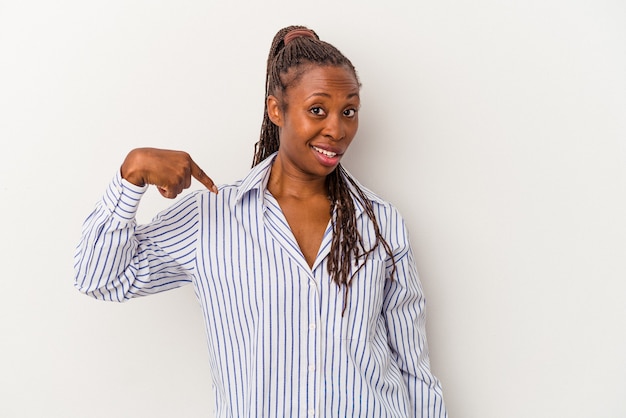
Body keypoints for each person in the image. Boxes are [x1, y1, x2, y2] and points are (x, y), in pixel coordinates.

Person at [74, 25, 448, 417]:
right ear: (276, 110)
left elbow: (412, 368)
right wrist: (132, 174)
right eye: (317, 110)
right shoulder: (212, 219)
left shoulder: (380, 223)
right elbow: (98, 277)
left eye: (349, 111)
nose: (336, 129)